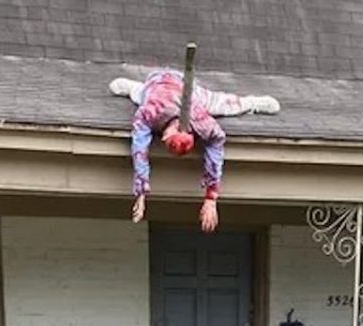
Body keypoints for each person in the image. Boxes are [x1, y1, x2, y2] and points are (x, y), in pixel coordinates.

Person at [110, 71, 280, 233]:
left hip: (191, 93)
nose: (161, 139)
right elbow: (139, 147)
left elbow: (217, 144)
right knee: (140, 94)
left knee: (226, 105)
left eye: (166, 139)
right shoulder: (153, 109)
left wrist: (211, 197)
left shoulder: (200, 120)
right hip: (157, 83)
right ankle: (133, 87)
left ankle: (254, 103)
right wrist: (141, 192)